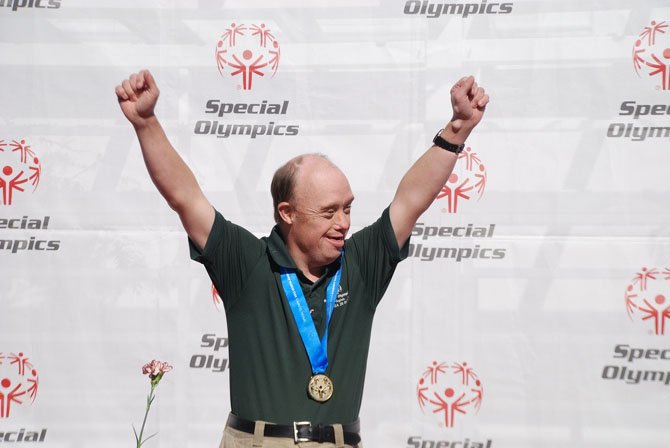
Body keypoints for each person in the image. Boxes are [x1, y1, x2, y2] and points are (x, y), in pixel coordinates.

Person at [115, 69, 488, 448]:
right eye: (328, 212)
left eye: (347, 209)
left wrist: (457, 129)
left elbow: (410, 200)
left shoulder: (360, 263)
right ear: (287, 213)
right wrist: (146, 123)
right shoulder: (247, 262)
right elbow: (186, 197)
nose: (342, 223)